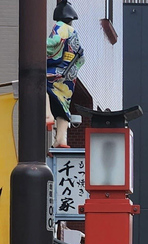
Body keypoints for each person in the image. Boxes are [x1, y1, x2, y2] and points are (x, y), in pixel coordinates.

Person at [46, 0, 84, 149]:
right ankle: (61, 140)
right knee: (63, 106)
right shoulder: (74, 33)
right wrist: (71, 70)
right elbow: (81, 57)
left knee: (39, 84)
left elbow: (52, 43)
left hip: (56, 71)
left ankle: (47, 114)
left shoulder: (60, 27)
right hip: (69, 76)